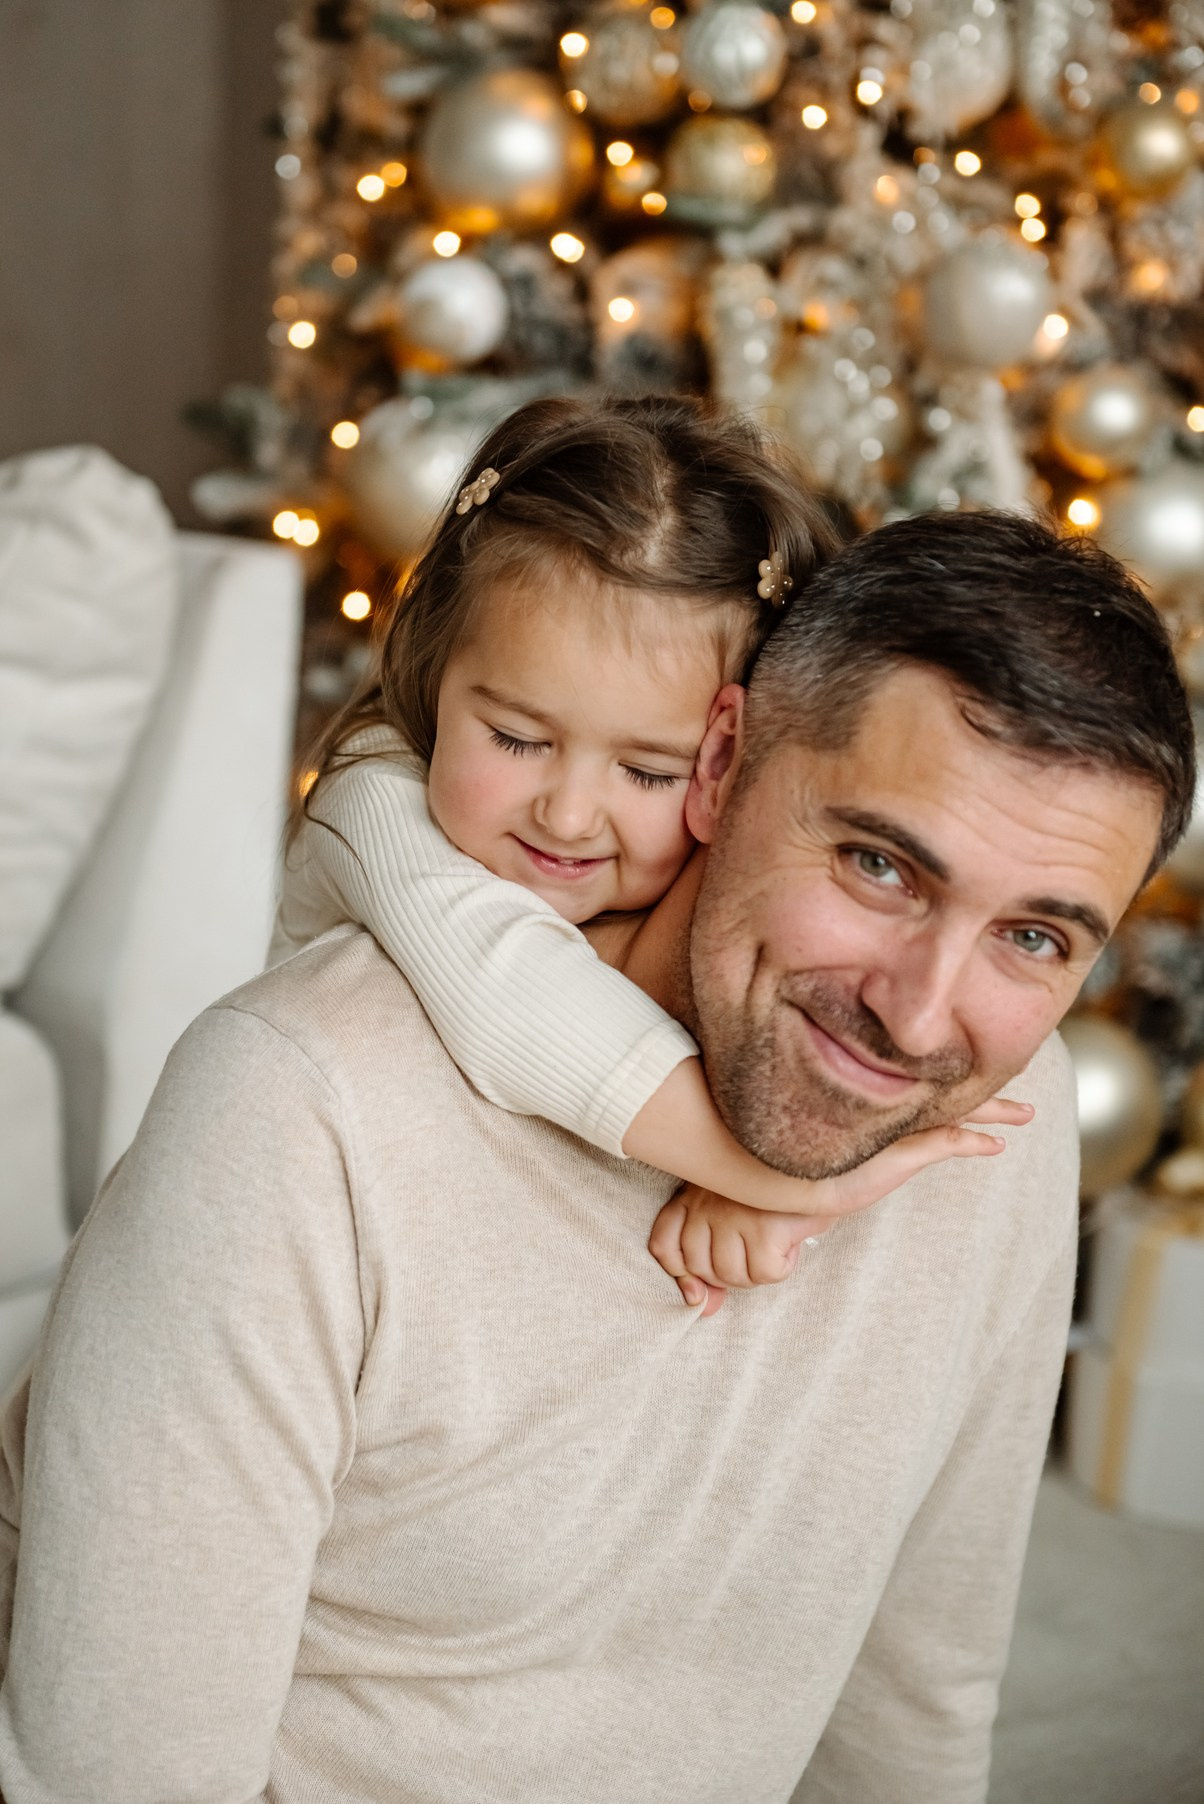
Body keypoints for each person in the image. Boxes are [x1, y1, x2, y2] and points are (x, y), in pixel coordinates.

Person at [0, 494, 1193, 1803]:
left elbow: (911, 1703)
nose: (916, 1016)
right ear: (723, 762)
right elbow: (123, 1779)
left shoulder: (994, 1137)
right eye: (877, 866)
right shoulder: (300, 1109)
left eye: (1035, 937)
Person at [274, 396, 1024, 1307]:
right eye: (516, 739)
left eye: (648, 771)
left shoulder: (734, 870)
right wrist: (781, 1183)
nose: (570, 814)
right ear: (435, 676)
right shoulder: (373, 797)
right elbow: (508, 990)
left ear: (727, 763)